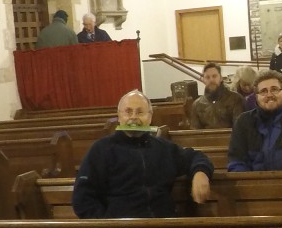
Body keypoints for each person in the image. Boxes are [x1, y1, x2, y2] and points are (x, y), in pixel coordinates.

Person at [73, 90, 213, 217]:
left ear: (150, 117)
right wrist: (107, 225)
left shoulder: (163, 148)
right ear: (119, 116)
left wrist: (200, 173)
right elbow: (82, 198)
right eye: (128, 112)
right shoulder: (101, 149)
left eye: (140, 112)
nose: (134, 117)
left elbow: (195, 157)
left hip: (164, 226)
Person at [188, 61, 245, 129]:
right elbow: (195, 131)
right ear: (203, 80)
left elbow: (239, 128)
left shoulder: (236, 99)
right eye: (207, 77)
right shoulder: (197, 104)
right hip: (206, 136)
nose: (211, 80)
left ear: (221, 78)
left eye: (214, 76)